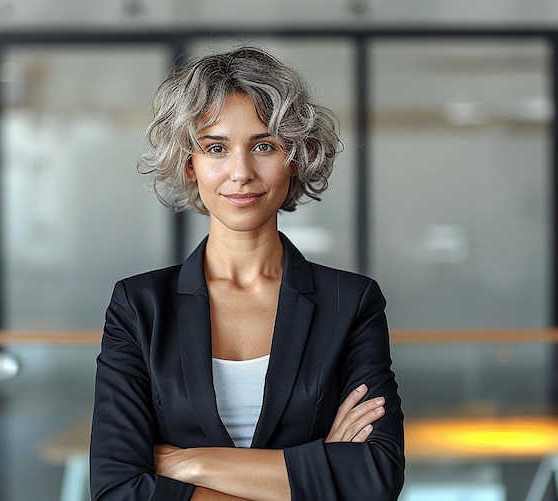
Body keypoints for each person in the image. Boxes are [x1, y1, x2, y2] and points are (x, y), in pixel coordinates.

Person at [89, 45, 404, 500]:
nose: (241, 172)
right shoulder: (140, 307)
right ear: (189, 164)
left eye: (263, 146)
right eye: (216, 148)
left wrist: (184, 462)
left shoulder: (350, 302)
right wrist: (316, 472)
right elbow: (118, 488)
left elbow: (374, 478)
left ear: (294, 157)